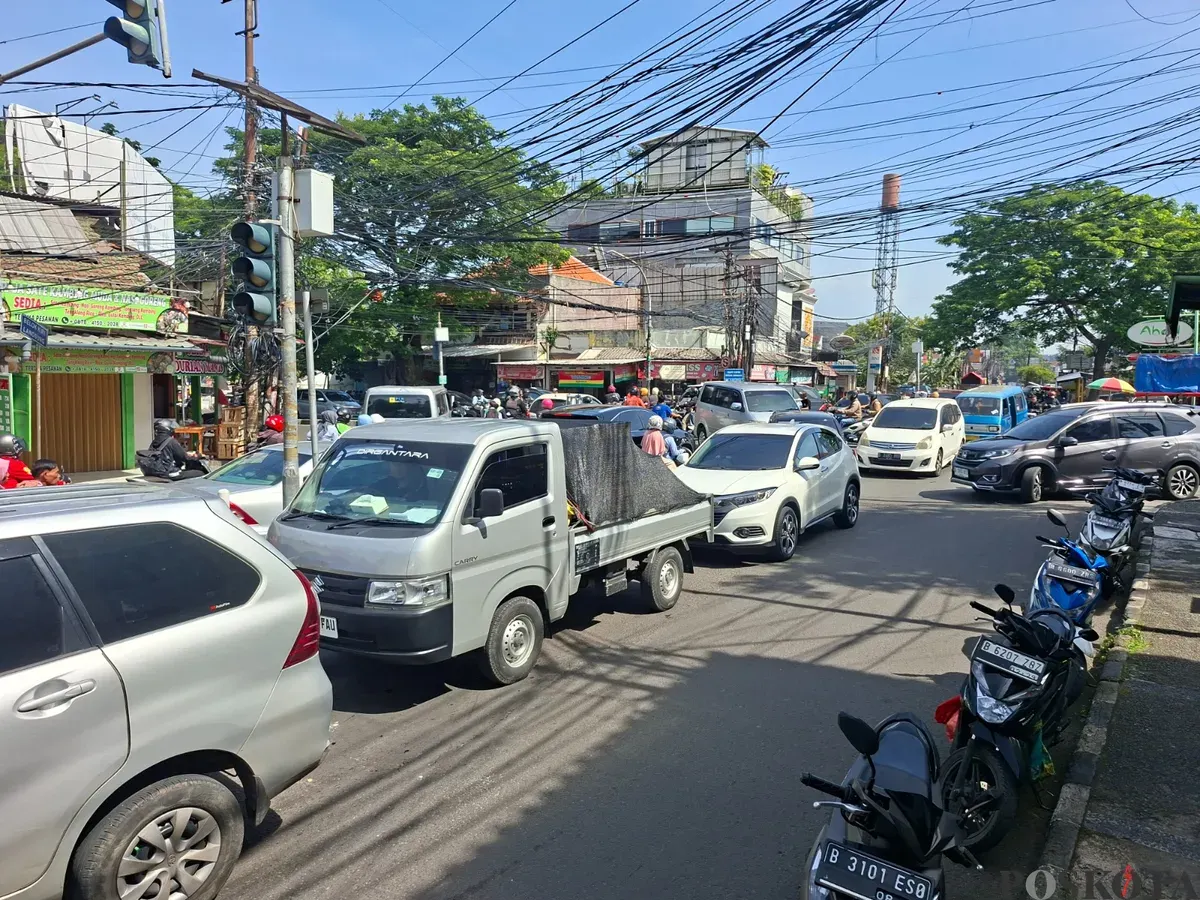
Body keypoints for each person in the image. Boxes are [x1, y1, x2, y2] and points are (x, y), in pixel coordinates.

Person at [138, 419, 204, 479]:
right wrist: (196, 456)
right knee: (200, 473)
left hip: (157, 471)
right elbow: (185, 458)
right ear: (168, 429)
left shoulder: (155, 441)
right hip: (169, 473)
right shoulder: (171, 441)